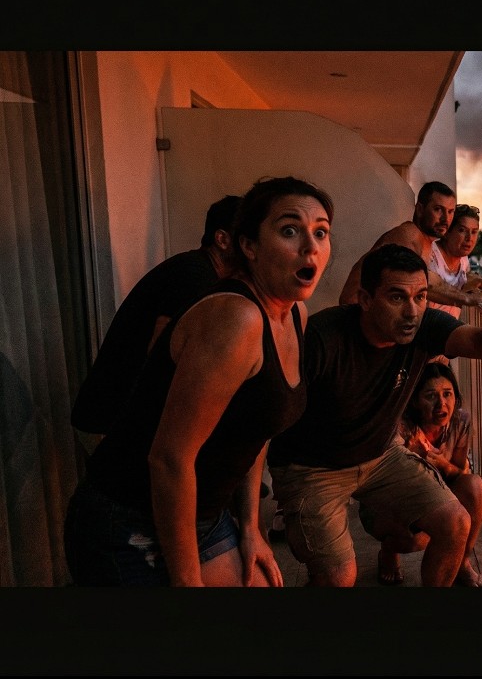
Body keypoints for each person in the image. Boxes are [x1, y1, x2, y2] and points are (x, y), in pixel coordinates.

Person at [63, 176, 333, 586]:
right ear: (249, 246)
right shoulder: (235, 318)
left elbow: (257, 426)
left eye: (321, 232)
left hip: (206, 515)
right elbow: (169, 458)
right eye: (289, 230)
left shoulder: (294, 313)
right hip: (128, 518)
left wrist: (249, 528)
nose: (310, 246)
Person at [268, 243, 482, 587]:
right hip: (313, 468)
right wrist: (250, 526)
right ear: (365, 299)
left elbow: (476, 340)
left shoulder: (422, 326)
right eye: (397, 298)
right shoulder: (322, 339)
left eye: (421, 297)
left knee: (456, 522)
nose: (412, 311)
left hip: (381, 454)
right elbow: (264, 422)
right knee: (338, 576)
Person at [70, 194, 241, 438]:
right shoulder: (194, 275)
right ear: (222, 239)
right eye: (248, 237)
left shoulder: (200, 271)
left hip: (112, 419)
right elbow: (161, 353)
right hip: (111, 423)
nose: (253, 247)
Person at [359, 362, 482, 586]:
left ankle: (462, 562)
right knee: (419, 540)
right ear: (414, 400)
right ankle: (389, 550)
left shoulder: (460, 421)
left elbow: (460, 474)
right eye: (431, 396)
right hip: (393, 504)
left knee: (475, 486)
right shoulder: (401, 427)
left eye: (447, 394)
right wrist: (409, 457)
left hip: (437, 497)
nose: (442, 403)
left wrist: (440, 463)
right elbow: (385, 486)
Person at [338, 181, 482, 310]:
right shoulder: (408, 235)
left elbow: (436, 282)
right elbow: (426, 284)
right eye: (438, 210)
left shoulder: (424, 242)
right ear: (420, 209)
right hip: (357, 317)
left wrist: (473, 288)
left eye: (451, 212)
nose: (446, 219)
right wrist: (466, 299)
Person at [428, 203, 482, 319]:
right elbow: (429, 286)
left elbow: (461, 281)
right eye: (462, 230)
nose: (469, 238)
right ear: (447, 231)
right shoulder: (430, 254)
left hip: (447, 332)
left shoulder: (463, 259)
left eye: (474, 232)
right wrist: (468, 298)